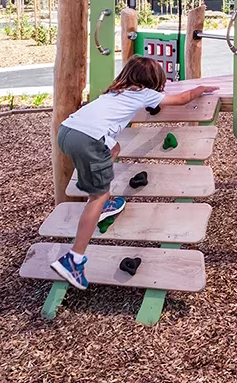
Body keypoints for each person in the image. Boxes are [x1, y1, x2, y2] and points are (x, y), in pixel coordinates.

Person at [50, 56, 218, 289]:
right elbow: (181, 99)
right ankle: (74, 259)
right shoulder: (145, 93)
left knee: (114, 147)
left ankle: (93, 185)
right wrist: (199, 88)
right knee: (99, 196)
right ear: (153, 81)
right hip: (89, 140)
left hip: (67, 131)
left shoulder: (114, 92)